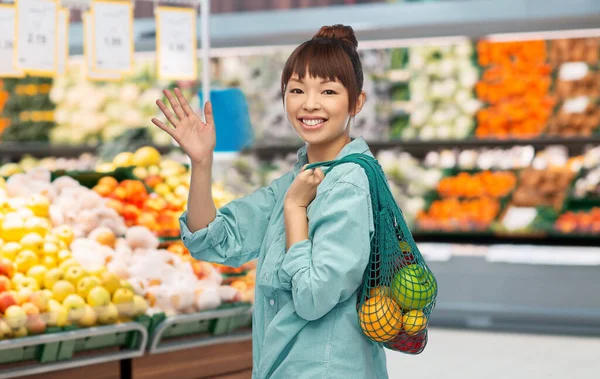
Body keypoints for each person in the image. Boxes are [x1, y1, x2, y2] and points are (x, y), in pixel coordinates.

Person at [152, 24, 388, 379]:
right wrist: (201, 164)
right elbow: (212, 240)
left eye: (328, 91)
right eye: (296, 90)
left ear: (357, 102)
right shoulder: (296, 182)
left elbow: (313, 296)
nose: (310, 104)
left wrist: (295, 212)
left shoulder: (349, 184)